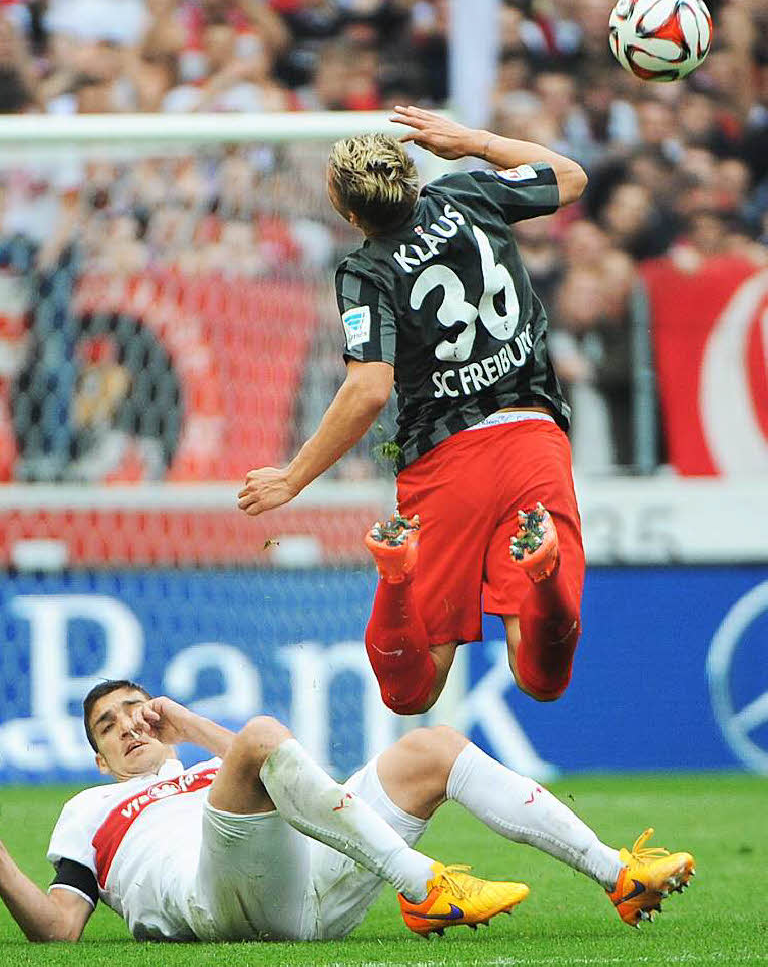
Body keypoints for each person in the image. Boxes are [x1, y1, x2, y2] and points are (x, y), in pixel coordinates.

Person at [238, 107, 588, 717]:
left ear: (350, 215)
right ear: (415, 178)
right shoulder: (470, 191)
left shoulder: (365, 271)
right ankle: (546, 578)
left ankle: (396, 578)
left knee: (413, 690)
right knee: (539, 677)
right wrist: (476, 142)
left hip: (444, 459)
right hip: (533, 437)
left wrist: (293, 476)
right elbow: (570, 177)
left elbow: (368, 390)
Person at [0, 680, 694, 943]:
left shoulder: (212, 766)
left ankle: (618, 875)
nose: (127, 726)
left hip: (304, 886)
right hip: (210, 900)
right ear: (98, 757)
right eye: (107, 726)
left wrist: (192, 726)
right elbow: (59, 931)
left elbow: (315, 799)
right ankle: (424, 887)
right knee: (266, 734)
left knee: (434, 746)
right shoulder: (90, 806)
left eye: (134, 711)